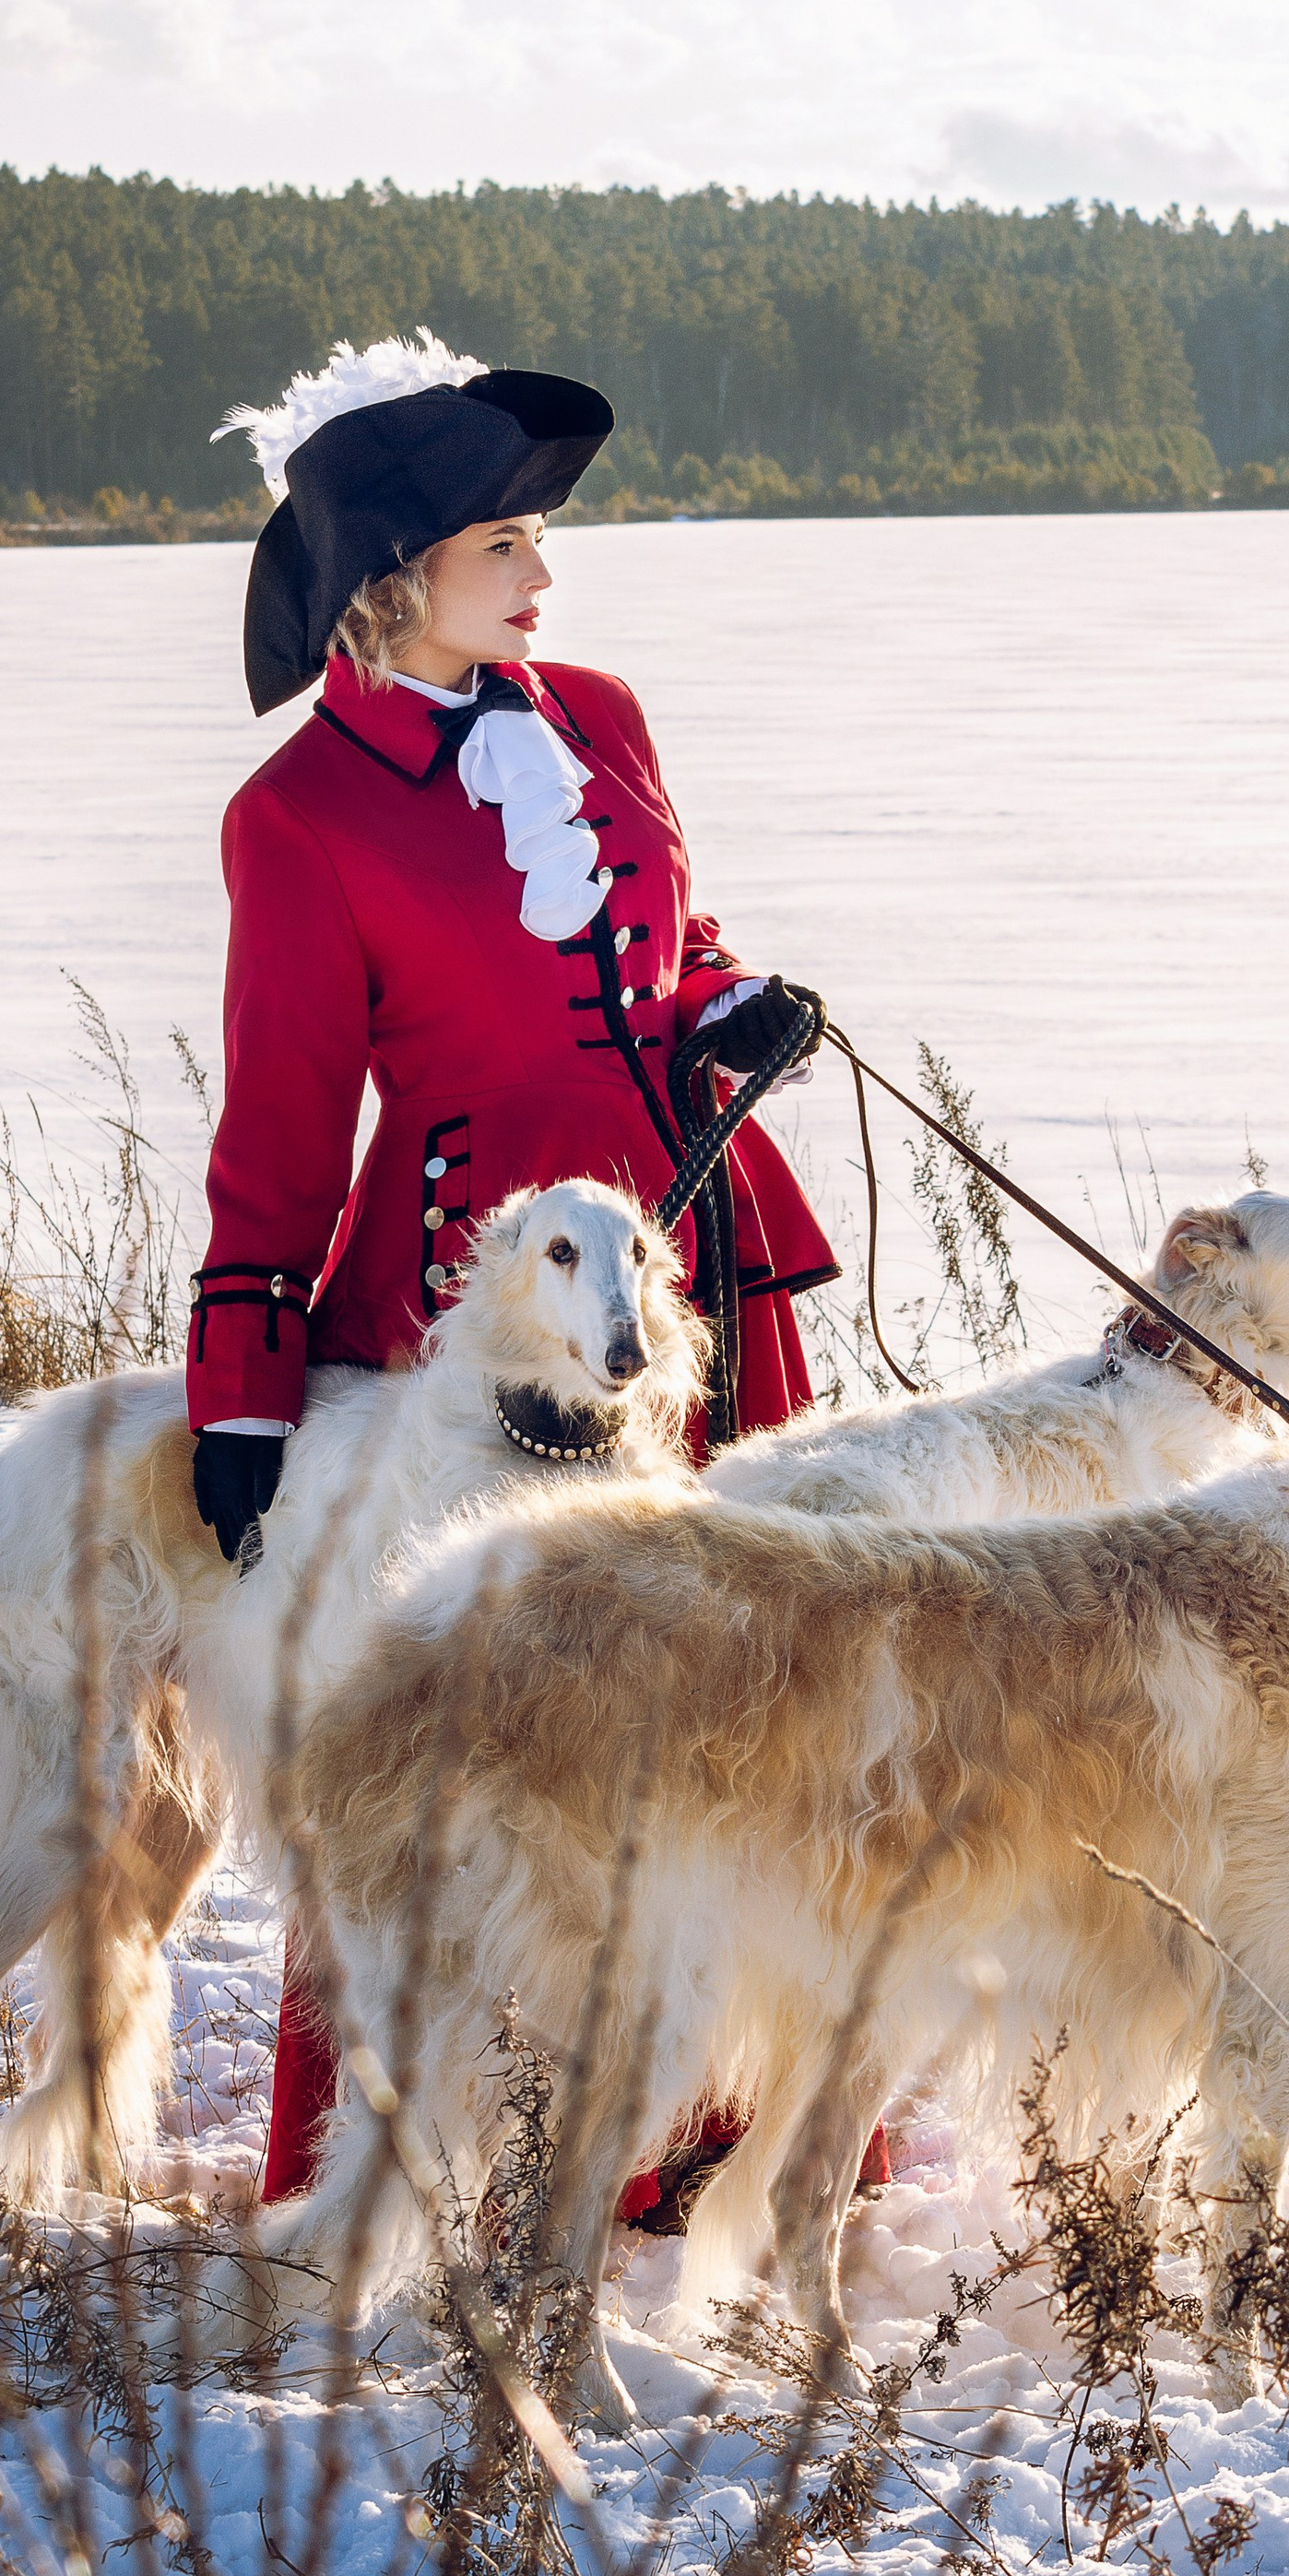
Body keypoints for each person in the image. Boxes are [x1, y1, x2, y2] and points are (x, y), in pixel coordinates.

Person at [186, 334, 838, 2206]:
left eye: (540, 542)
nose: (546, 581)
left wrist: (729, 1010)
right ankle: (395, 2147)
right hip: (483, 1331)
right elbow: (282, 1129)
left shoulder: (601, 716)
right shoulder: (298, 816)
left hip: (689, 1261)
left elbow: (661, 941)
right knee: (465, 1745)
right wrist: (244, 1392)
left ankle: (718, 2131)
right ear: (395, 576)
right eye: (506, 545)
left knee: (730, 1710)